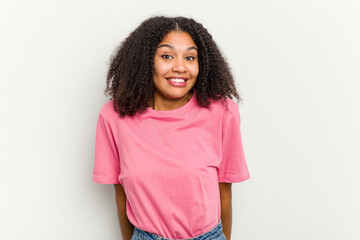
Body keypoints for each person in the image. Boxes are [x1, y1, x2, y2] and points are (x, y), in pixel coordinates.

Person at [93, 16, 250, 240]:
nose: (180, 67)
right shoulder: (114, 116)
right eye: (167, 56)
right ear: (146, 61)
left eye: (190, 57)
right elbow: (121, 196)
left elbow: (224, 192)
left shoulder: (223, 112)